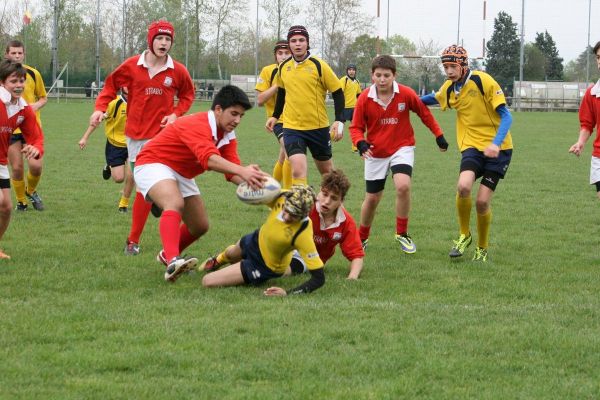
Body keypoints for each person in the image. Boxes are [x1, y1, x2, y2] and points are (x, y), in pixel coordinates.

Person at [133, 85, 267, 281]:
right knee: (174, 203)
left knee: (200, 225)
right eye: (234, 114)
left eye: (241, 116)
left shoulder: (227, 134)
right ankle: (172, 261)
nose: (237, 120)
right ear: (218, 109)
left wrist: (259, 184)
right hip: (153, 162)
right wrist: (242, 171)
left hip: (182, 172)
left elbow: (232, 171)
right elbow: (209, 159)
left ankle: (165, 255)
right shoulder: (198, 123)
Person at [89, 19, 195, 256]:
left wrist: (176, 114)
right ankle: (133, 241)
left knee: (172, 187)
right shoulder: (131, 66)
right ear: (151, 40)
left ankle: (168, 244)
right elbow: (109, 86)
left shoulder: (177, 70)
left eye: (168, 39)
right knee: (144, 190)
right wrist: (100, 108)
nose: (164, 43)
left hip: (165, 137)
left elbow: (188, 94)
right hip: (137, 139)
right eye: (160, 38)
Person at [421, 45, 513, 262]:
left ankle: (482, 247)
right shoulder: (450, 88)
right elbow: (432, 98)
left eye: (453, 66)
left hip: (498, 150)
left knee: (482, 202)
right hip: (471, 146)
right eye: (445, 66)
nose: (449, 71)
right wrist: (406, 100)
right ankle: (464, 234)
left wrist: (496, 143)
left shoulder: (483, 81)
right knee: (463, 186)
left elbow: (507, 116)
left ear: (464, 65)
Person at [350, 55, 447, 254]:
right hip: (375, 152)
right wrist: (359, 143)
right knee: (372, 198)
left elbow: (424, 114)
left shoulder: (406, 93)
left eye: (387, 75)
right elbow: (356, 127)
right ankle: (362, 237)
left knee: (403, 186)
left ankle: (402, 234)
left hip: (402, 147)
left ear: (394, 75)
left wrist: (439, 135)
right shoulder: (364, 98)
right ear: (372, 75)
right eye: (378, 75)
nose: (382, 79)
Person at [198, 185, 324, 296]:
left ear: (304, 214)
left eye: (293, 216)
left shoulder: (303, 234)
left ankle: (241, 269)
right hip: (256, 239)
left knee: (207, 281)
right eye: (285, 210)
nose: (286, 217)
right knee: (230, 254)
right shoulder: (283, 195)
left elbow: (319, 279)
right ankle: (218, 260)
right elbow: (260, 189)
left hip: (264, 265)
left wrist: (287, 293)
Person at [265, 25, 345, 187]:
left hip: (318, 128)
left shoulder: (319, 65)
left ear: (307, 43)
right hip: (292, 128)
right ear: (289, 44)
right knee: (297, 171)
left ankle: (337, 210)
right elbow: (282, 93)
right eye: (293, 41)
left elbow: (337, 92)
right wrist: (275, 115)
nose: (298, 44)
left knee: (328, 175)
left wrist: (339, 120)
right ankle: (300, 212)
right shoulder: (283, 67)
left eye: (301, 40)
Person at [0, 60, 44, 259]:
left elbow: (35, 135)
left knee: (6, 208)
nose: (18, 85)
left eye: (21, 81)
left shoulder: (22, 109)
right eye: (13, 81)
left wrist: (36, 147)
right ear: (2, 82)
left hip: (1, 162)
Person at [286, 169, 364, 280]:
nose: (327, 201)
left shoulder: (345, 222)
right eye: (324, 194)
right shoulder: (307, 206)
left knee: (286, 269)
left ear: (341, 201)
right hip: (287, 246)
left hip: (309, 259)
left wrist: (352, 277)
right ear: (320, 190)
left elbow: (357, 256)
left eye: (334, 198)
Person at [4, 40, 47, 211]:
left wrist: (34, 106)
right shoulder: (3, 76)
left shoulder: (33, 74)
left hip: (31, 127)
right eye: (13, 53)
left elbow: (43, 97)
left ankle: (31, 190)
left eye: (19, 53)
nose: (16, 56)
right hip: (10, 128)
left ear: (24, 54)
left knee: (36, 166)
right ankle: (21, 201)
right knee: (17, 168)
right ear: (7, 54)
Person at [79, 88, 134, 212]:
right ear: (123, 88)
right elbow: (97, 120)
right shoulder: (114, 103)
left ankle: (123, 204)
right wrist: (84, 138)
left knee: (132, 174)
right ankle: (109, 166)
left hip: (133, 144)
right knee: (119, 178)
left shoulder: (139, 102)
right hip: (115, 145)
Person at [255, 39, 292, 189]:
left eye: (286, 53)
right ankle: (290, 195)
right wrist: (277, 85)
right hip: (278, 121)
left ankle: (273, 193)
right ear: (275, 56)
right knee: (291, 152)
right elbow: (260, 100)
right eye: (280, 53)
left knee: (283, 157)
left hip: (297, 120)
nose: (283, 56)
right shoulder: (268, 71)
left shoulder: (296, 71)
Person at [569, 41, 600, 199]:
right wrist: (580, 142)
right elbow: (587, 124)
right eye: (598, 57)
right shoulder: (592, 93)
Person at [339, 63, 362, 153]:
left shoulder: (357, 81)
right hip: (344, 108)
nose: (351, 71)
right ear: (347, 71)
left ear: (355, 71)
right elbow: (339, 94)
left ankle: (355, 148)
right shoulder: (343, 80)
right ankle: (328, 143)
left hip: (354, 109)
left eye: (353, 70)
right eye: (350, 70)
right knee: (339, 129)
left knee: (355, 128)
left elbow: (359, 95)